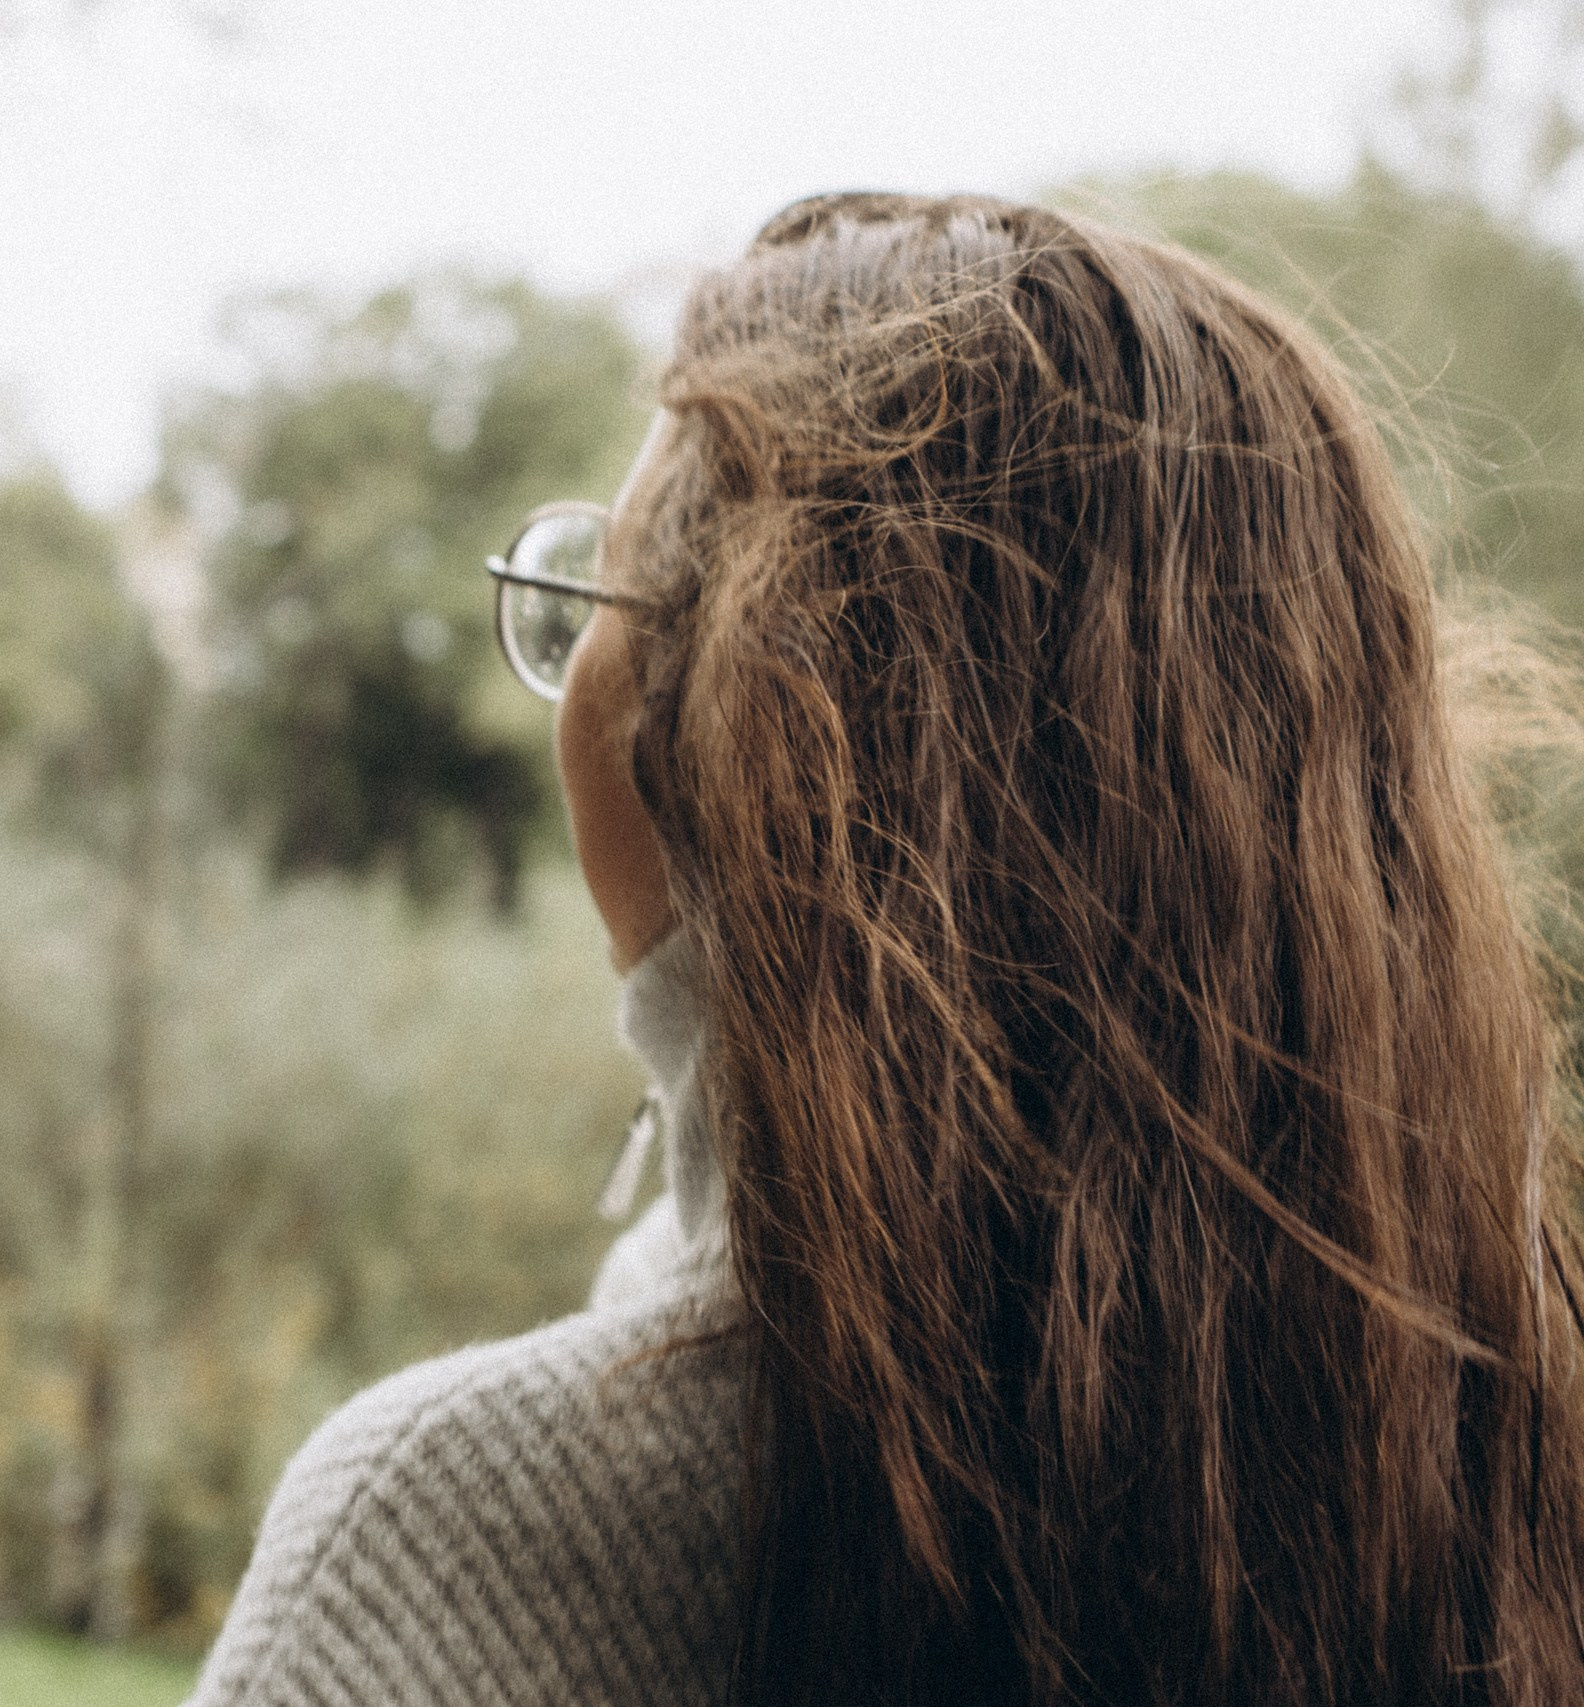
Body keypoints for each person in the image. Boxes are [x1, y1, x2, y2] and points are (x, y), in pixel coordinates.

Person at [183, 192, 1584, 1707]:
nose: (579, 664)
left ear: (751, 729)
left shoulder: (451, 1540)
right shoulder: (1497, 1461)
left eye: (602, 590)